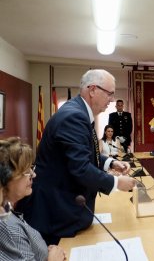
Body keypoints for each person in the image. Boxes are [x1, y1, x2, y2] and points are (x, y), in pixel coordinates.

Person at [16, 69, 137, 245]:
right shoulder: (74, 117)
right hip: (57, 210)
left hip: (64, 204)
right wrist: (117, 183)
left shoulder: (78, 111)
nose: (112, 100)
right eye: (110, 93)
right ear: (93, 90)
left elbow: (83, 153)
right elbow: (80, 168)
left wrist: (111, 162)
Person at [0, 137, 66, 261]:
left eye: (32, 168)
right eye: (26, 171)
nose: (33, 174)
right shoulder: (4, 225)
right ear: (6, 179)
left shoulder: (6, 207)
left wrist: (43, 251)